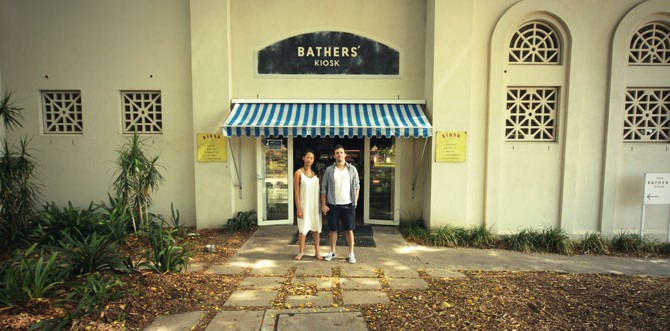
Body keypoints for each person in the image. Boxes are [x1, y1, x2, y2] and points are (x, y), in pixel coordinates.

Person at [320, 145, 360, 263]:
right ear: (334, 155)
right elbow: (323, 188)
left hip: (348, 204)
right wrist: (323, 204)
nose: (339, 155)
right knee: (332, 230)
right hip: (333, 205)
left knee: (349, 230)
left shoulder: (352, 169)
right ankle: (332, 251)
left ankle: (351, 253)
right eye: (337, 153)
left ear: (345, 154)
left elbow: (357, 186)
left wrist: (355, 202)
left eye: (341, 152)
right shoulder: (329, 170)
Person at [294, 149, 323, 260]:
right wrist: (298, 208)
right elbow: (296, 192)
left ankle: (317, 252)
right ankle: (301, 252)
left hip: (315, 205)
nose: (309, 160)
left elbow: (320, 191)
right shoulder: (298, 173)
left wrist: (322, 204)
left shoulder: (316, 174)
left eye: (311, 158)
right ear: (303, 158)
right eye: (307, 157)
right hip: (304, 205)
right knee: (303, 229)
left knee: (316, 228)